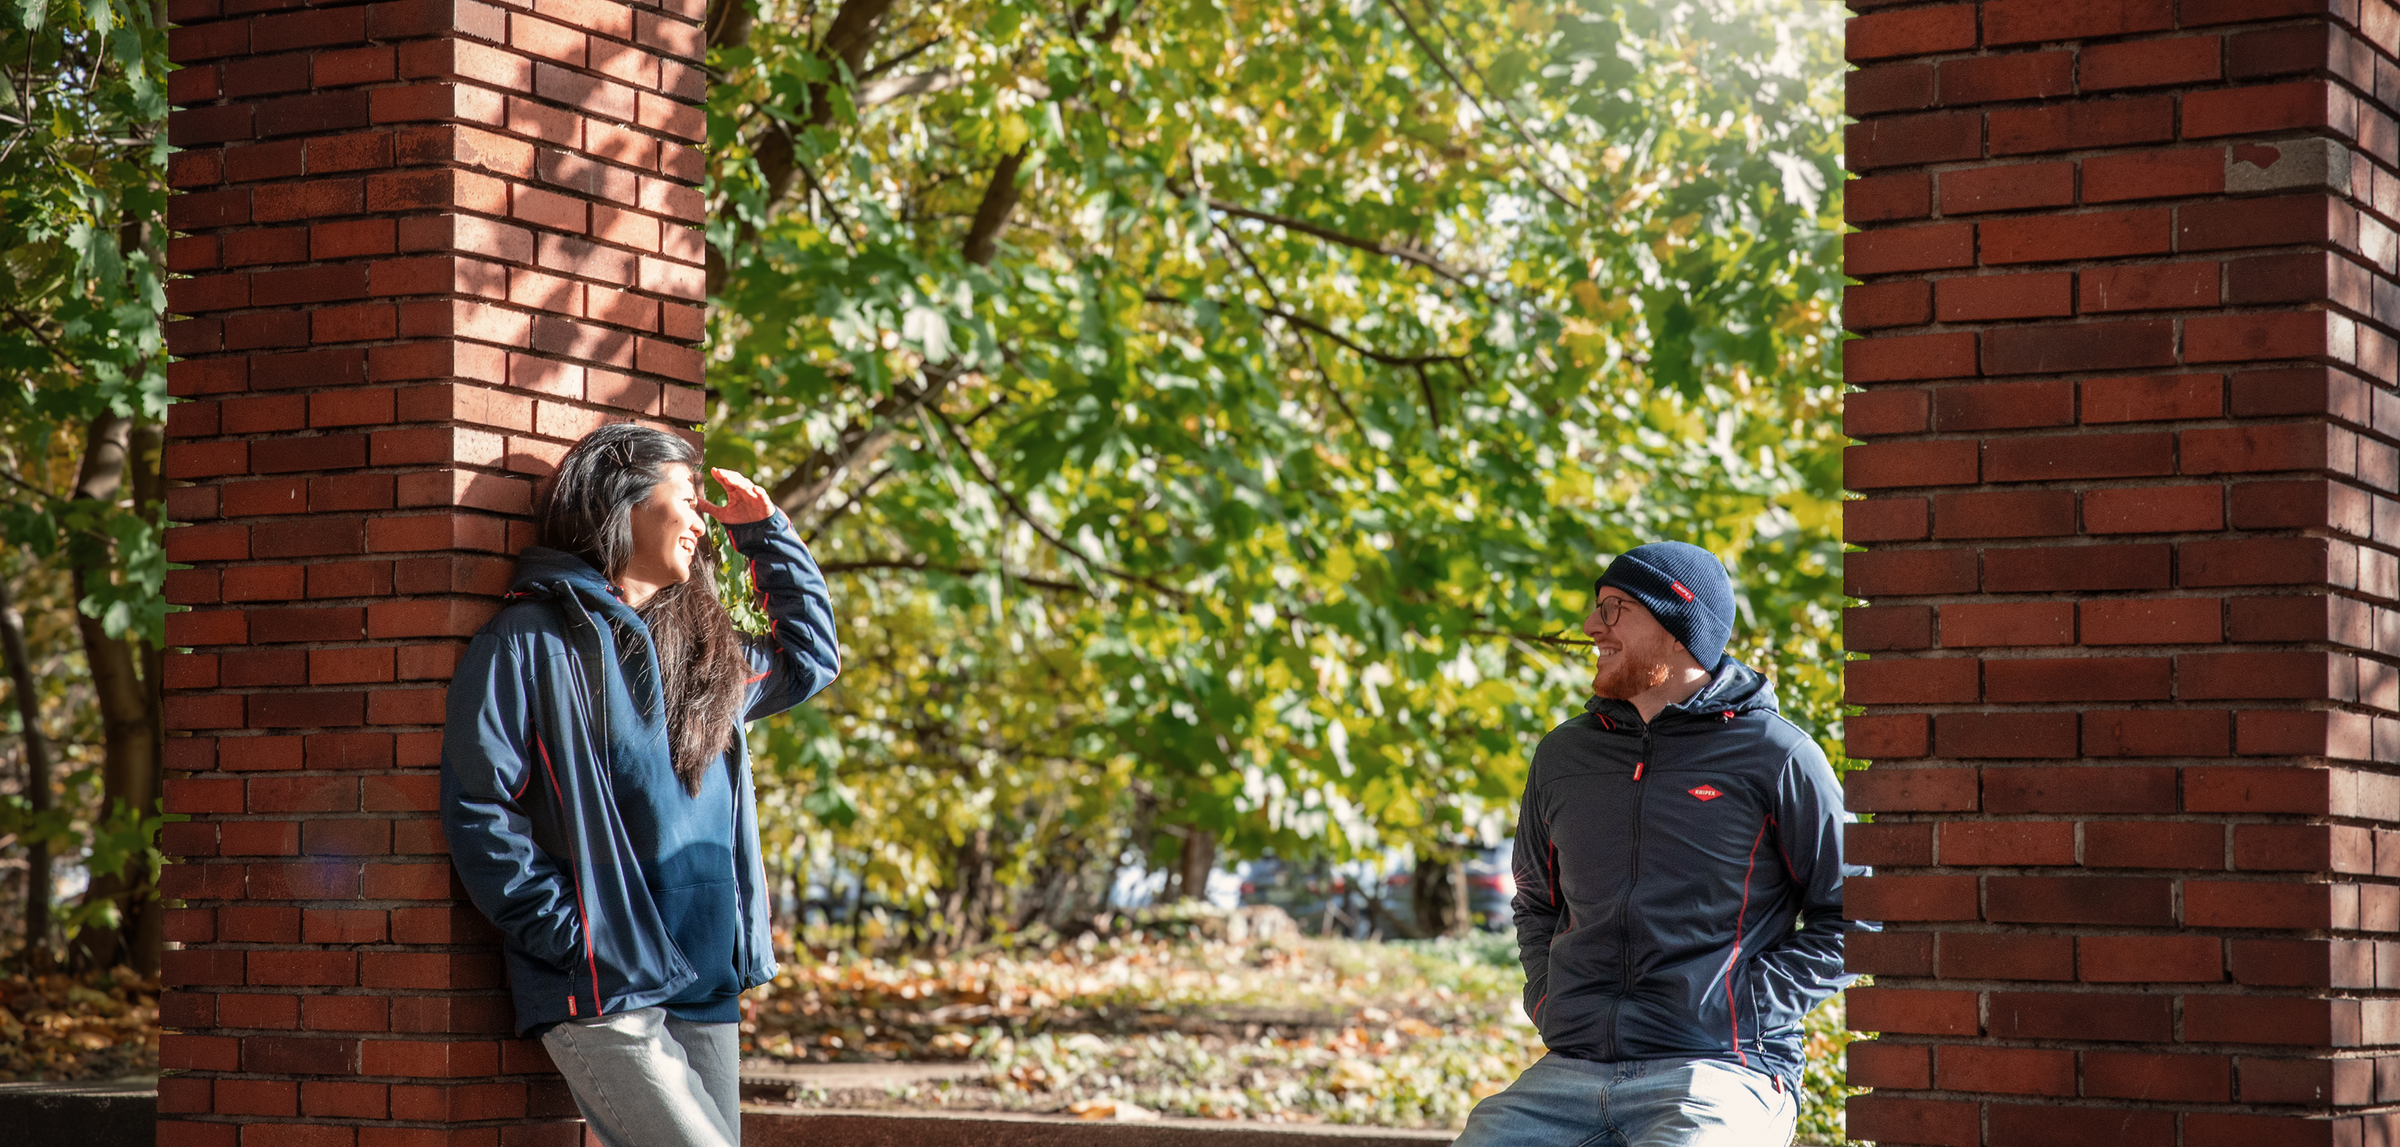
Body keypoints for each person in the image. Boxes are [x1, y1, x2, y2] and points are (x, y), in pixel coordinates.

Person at [440, 423, 840, 1147]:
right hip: (605, 982)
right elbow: (481, 808)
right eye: (685, 499)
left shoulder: (707, 656)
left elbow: (810, 656)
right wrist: (575, 935)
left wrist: (768, 536)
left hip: (706, 975)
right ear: (621, 501)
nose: (698, 522)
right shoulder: (530, 641)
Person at [1454, 542, 1865, 1147]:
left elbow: (1854, 915)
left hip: (1723, 1072)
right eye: (1597, 607)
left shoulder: (1776, 756)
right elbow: (1533, 900)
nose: (1593, 626)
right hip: (1572, 1071)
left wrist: (1737, 1008)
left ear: (1680, 632)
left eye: (1616, 608)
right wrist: (1549, 998)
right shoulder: (1563, 757)